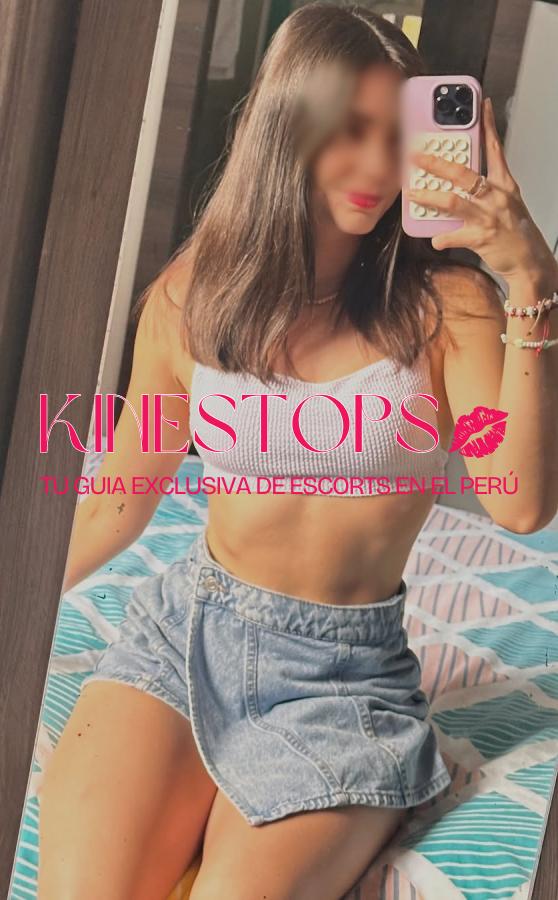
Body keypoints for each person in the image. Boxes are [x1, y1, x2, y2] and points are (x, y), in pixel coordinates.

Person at [38, 5, 558, 899]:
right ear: (290, 125)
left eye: (396, 135)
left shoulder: (450, 309)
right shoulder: (189, 298)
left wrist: (532, 280)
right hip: (185, 636)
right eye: (349, 129)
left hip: (344, 683)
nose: (377, 166)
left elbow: (520, 505)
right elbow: (116, 500)